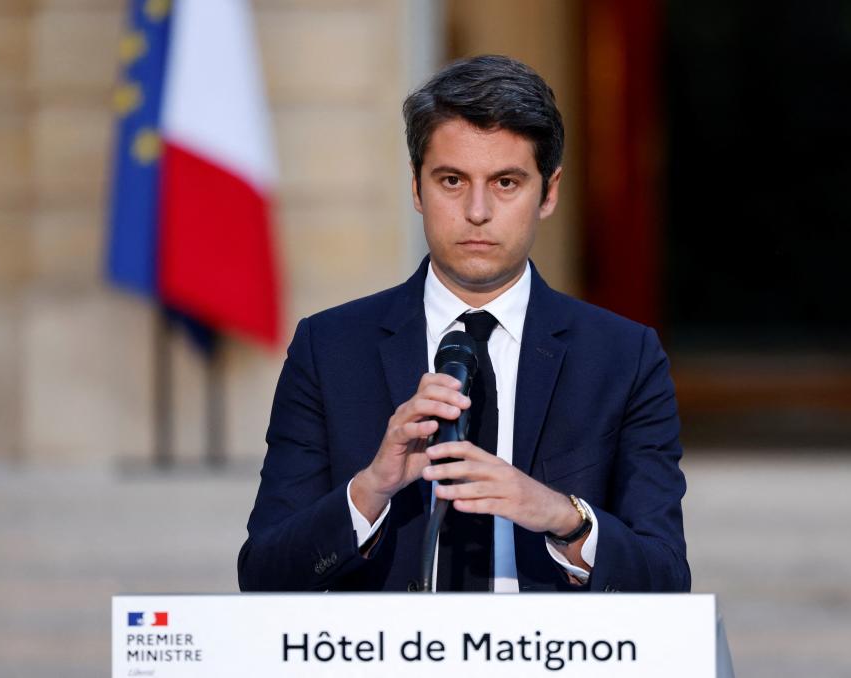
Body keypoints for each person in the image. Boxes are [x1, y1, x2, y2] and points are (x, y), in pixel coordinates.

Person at [238, 55, 690, 593]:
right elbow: (263, 574)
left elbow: (665, 579)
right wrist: (369, 490)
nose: (477, 211)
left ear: (548, 192)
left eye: (505, 182)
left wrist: (561, 516)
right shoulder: (329, 348)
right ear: (416, 188)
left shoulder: (623, 357)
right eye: (452, 180)